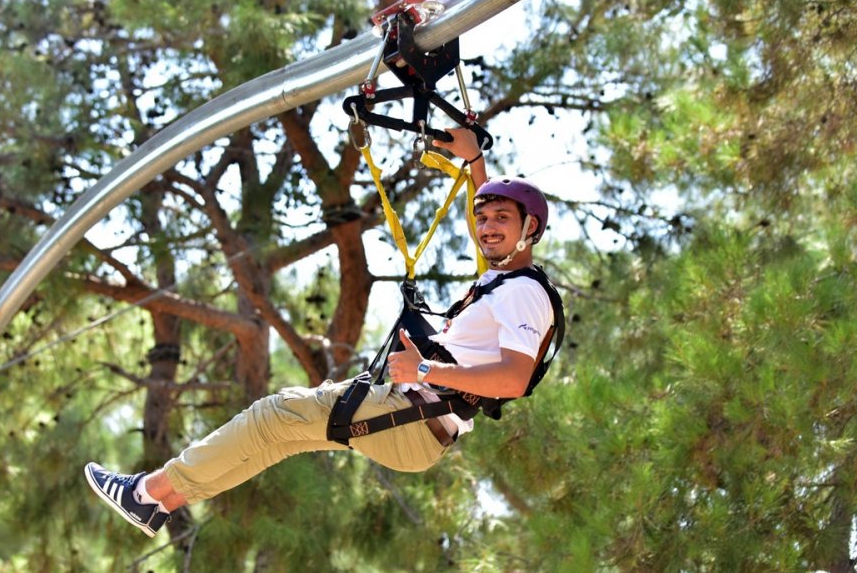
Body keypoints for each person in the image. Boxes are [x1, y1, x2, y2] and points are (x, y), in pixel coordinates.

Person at [85, 128, 558, 537]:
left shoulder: (525, 293)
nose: (486, 228)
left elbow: (513, 380)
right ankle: (161, 502)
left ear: (530, 228)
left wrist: (425, 367)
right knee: (276, 436)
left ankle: (149, 491)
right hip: (414, 419)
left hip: (415, 418)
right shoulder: (501, 280)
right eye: (482, 218)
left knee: (274, 414)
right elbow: (491, 213)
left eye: (502, 220)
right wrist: (474, 161)